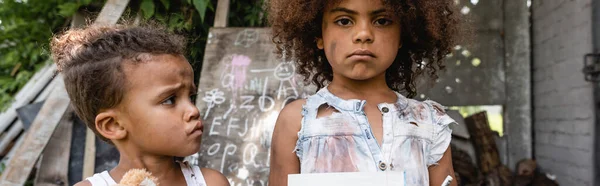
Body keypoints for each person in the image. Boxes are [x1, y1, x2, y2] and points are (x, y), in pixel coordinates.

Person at [267, 0, 461, 185]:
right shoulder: (297, 121)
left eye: (382, 21)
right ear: (318, 35)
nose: (363, 34)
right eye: (344, 21)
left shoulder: (429, 122)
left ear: (403, 35)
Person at [50, 23, 230, 186]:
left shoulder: (211, 182)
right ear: (113, 125)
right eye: (169, 100)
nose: (193, 110)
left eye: (190, 96)